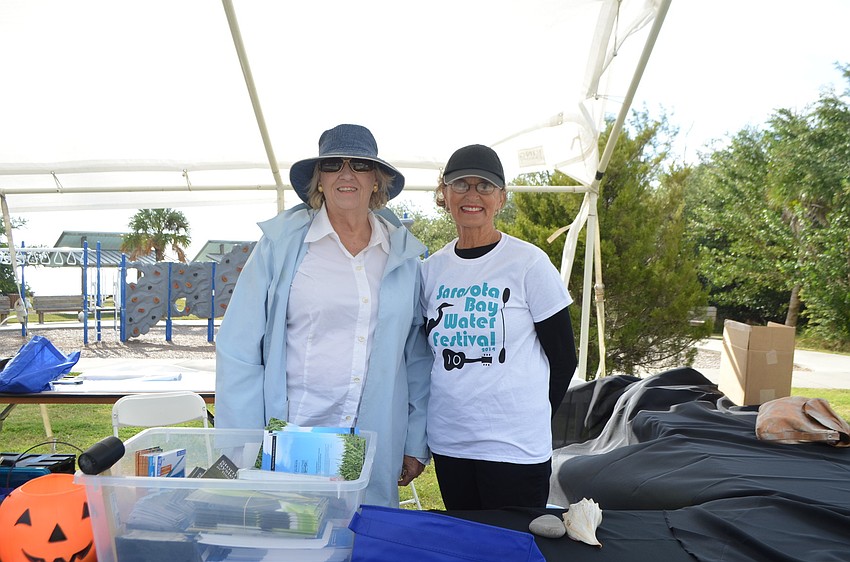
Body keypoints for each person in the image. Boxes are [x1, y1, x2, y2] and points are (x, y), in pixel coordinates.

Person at [215, 124, 431, 507]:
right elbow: (239, 347)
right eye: (333, 164)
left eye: (360, 165)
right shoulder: (281, 247)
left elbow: (415, 354)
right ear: (319, 181)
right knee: (292, 536)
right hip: (296, 437)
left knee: (364, 540)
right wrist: (244, 445)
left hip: (373, 437)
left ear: (377, 182)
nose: (346, 174)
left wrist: (414, 439)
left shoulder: (402, 253)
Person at [420, 144, 578, 510]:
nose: (472, 195)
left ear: (502, 198)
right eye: (460, 185)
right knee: (468, 542)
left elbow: (564, 358)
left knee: (511, 546)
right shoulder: (430, 270)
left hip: (516, 447)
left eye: (485, 186)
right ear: (443, 194)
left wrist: (532, 414)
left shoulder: (528, 263)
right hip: (451, 442)